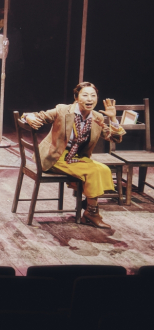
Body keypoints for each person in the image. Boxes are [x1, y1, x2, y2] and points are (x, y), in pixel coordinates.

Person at [22, 82, 125, 228]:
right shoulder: (62, 110)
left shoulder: (97, 117)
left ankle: (89, 208)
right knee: (93, 172)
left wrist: (113, 119)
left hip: (77, 157)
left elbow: (115, 138)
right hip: (55, 156)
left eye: (93, 95)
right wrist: (28, 117)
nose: (89, 99)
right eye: (85, 95)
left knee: (104, 169)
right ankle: (92, 213)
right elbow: (37, 116)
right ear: (76, 97)